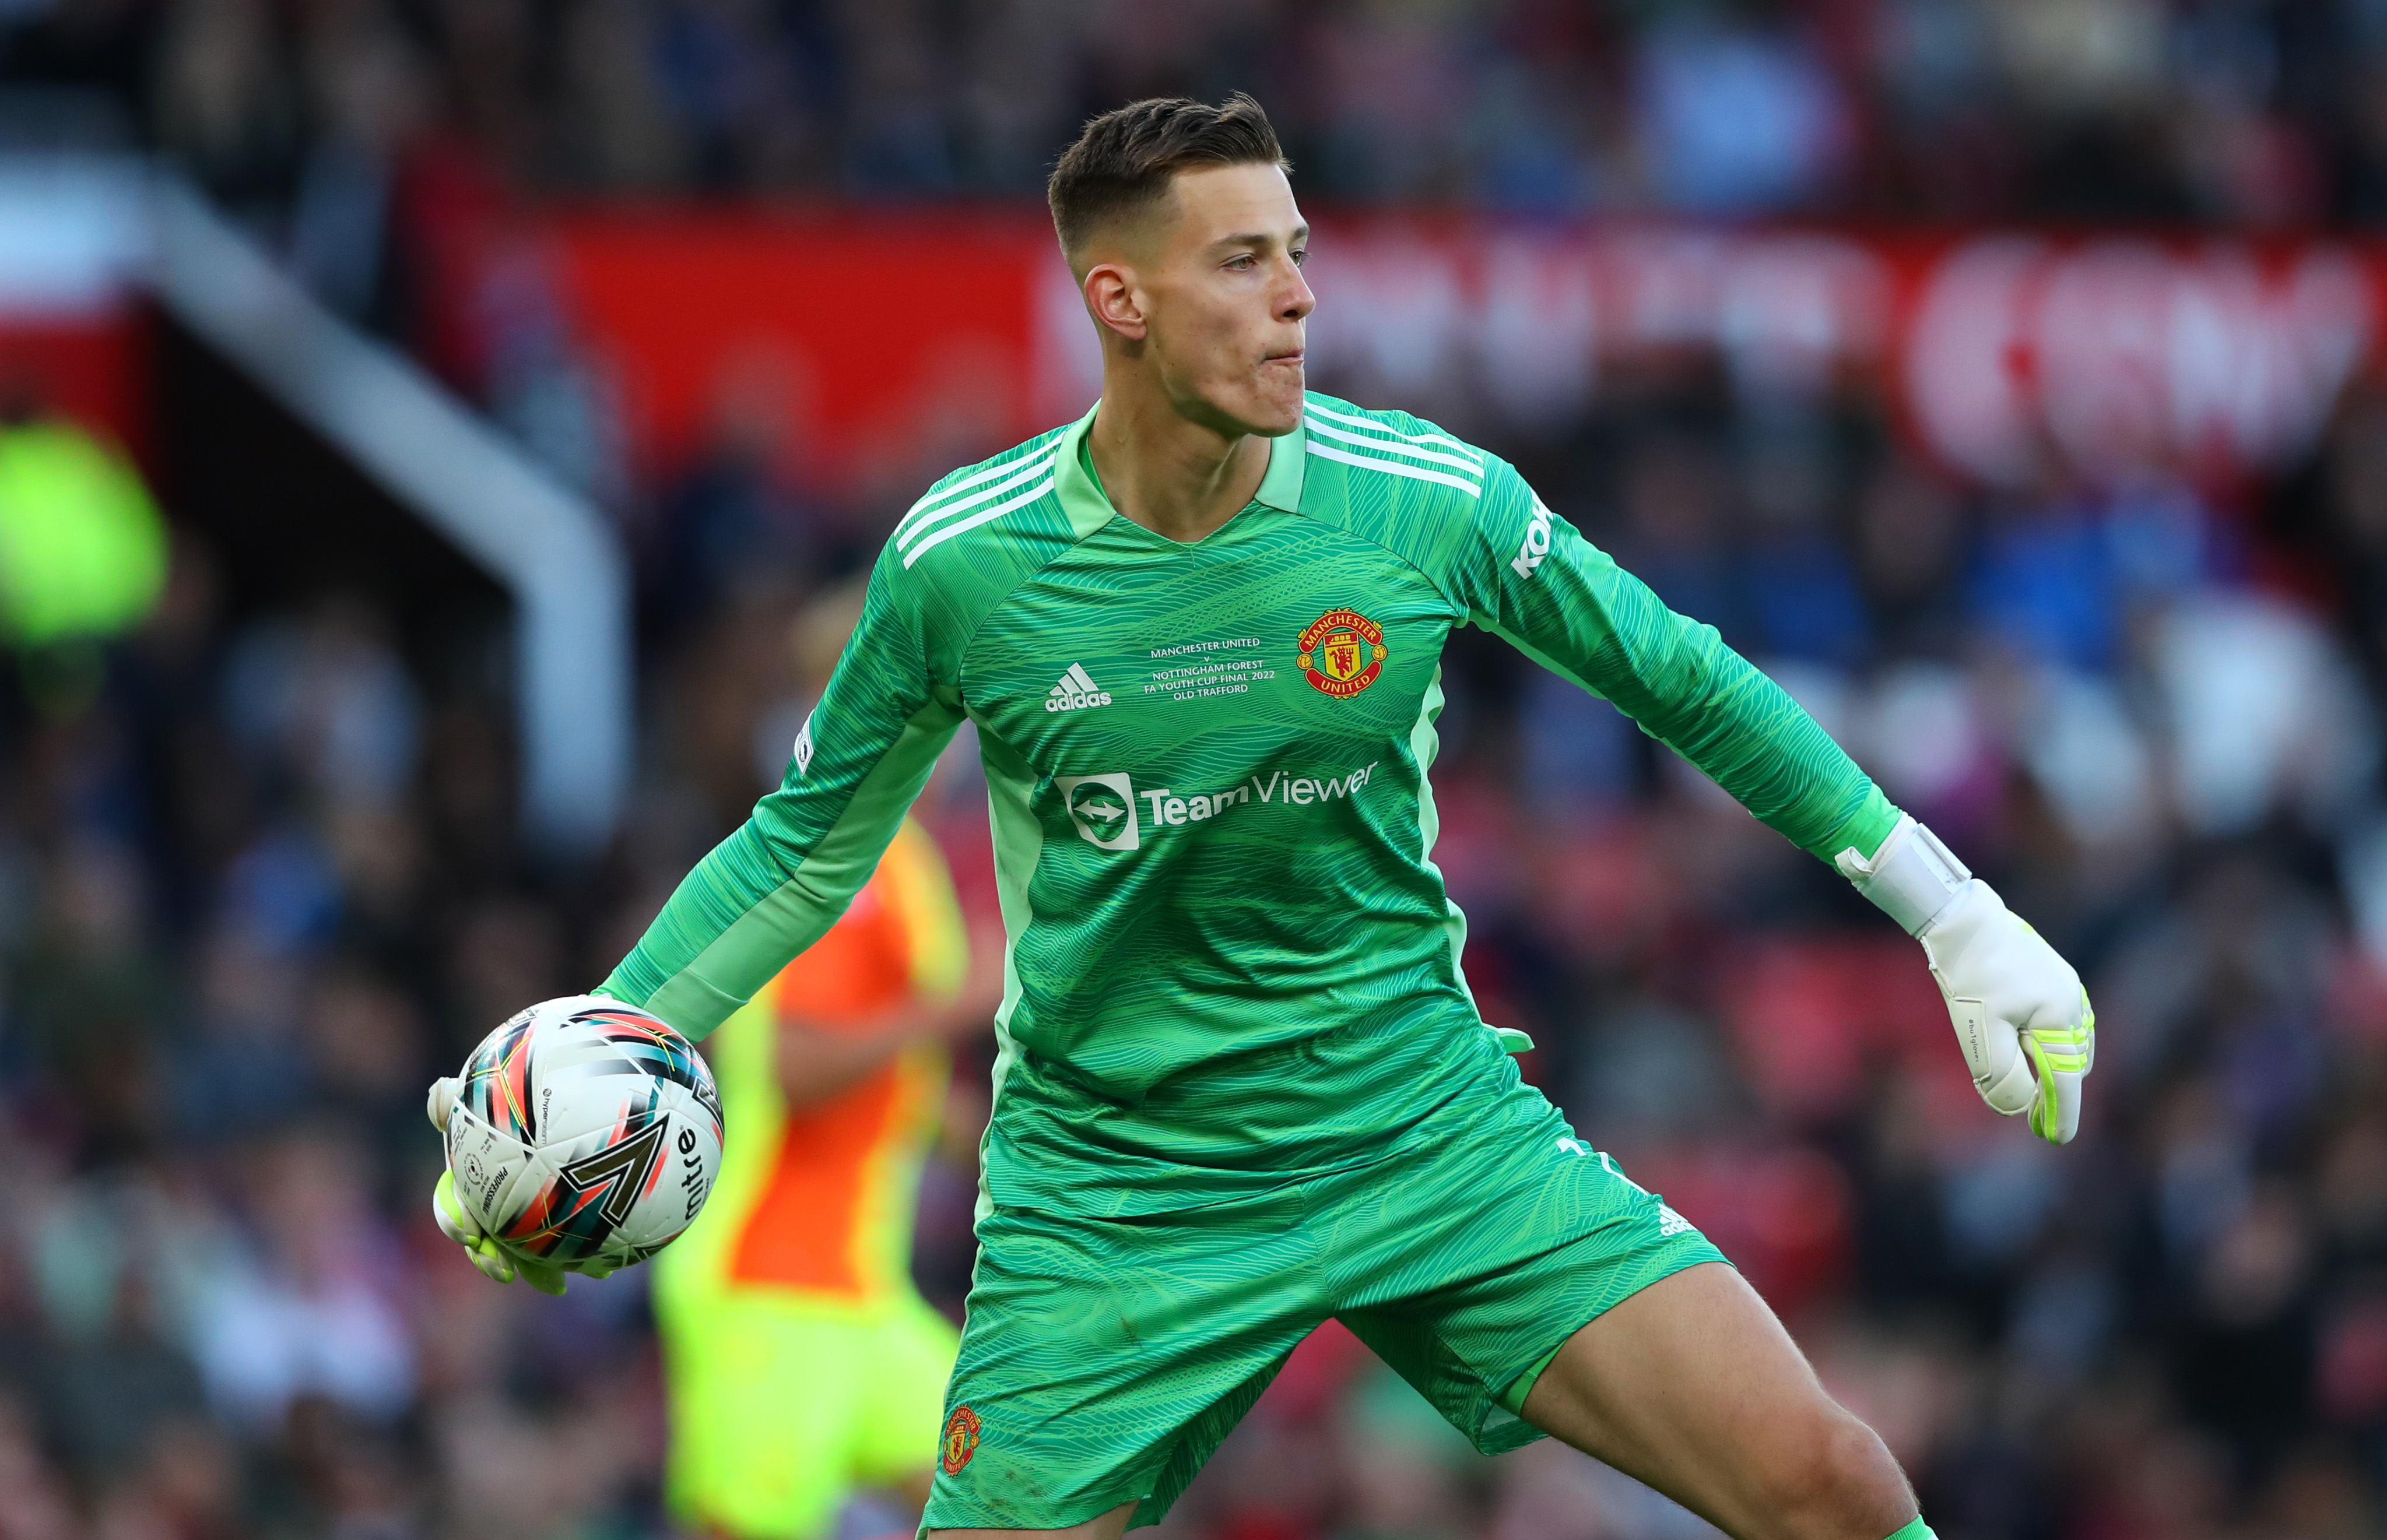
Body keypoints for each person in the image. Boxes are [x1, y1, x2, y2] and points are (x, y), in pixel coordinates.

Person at [438, 96, 2094, 1540]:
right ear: (1120, 299)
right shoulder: (967, 562)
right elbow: (805, 846)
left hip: (1421, 1129)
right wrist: (584, 1059)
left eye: (1297, 252)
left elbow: (1683, 681)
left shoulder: (1422, 500)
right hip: (1118, 1192)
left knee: (1828, 1483)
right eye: (1243, 262)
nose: (1299, 297)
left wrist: (1951, 907)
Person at [652, 586, 998, 1540]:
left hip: (860, 1290)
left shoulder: (904, 861)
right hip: (770, 1285)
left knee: (1009, 1498)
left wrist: (974, 1135)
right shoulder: (835, 858)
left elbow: (879, 1075)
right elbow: (795, 1065)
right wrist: (956, 1005)